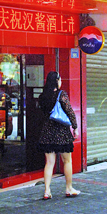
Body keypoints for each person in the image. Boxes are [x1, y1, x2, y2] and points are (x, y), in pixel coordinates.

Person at [38, 71, 80, 199]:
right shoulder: (61, 95)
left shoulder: (43, 96)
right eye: (60, 79)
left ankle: (47, 191)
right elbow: (70, 111)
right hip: (61, 132)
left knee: (49, 163)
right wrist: (75, 127)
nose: (61, 82)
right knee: (67, 161)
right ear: (56, 81)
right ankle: (69, 188)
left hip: (47, 132)